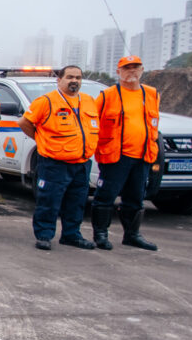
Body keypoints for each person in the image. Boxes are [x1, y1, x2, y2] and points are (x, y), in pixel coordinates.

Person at [20, 64, 100, 251]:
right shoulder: (46, 101)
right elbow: (24, 123)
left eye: (78, 78)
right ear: (59, 80)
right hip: (54, 163)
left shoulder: (88, 101)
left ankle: (71, 235)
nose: (74, 81)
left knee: (77, 201)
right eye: (70, 77)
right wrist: (42, 139)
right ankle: (44, 235)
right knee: (49, 200)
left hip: (81, 163)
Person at [91, 55, 160, 251]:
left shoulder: (152, 94)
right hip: (115, 156)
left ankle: (132, 234)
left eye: (135, 67)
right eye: (127, 68)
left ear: (142, 70)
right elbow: (93, 123)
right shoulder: (108, 96)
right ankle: (101, 234)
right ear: (118, 71)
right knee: (106, 195)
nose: (131, 71)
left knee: (136, 197)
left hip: (143, 155)